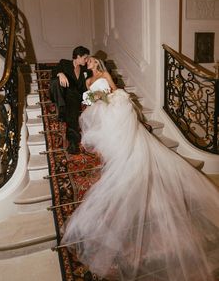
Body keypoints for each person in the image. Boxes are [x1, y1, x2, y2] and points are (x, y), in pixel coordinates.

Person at [60, 57, 219, 280]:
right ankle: (118, 162)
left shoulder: (105, 76)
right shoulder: (88, 81)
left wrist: (108, 98)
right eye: (89, 64)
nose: (91, 65)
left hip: (113, 113)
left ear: (97, 64)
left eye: (93, 63)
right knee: (107, 147)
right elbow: (89, 101)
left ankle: (125, 167)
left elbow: (117, 92)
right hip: (102, 116)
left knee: (123, 148)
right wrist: (95, 100)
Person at [50, 46, 91, 154]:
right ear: (78, 56)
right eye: (85, 58)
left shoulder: (85, 70)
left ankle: (73, 143)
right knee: (55, 81)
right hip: (61, 93)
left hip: (74, 97)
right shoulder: (64, 63)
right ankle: (62, 108)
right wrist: (60, 73)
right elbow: (54, 71)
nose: (86, 60)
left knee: (72, 112)